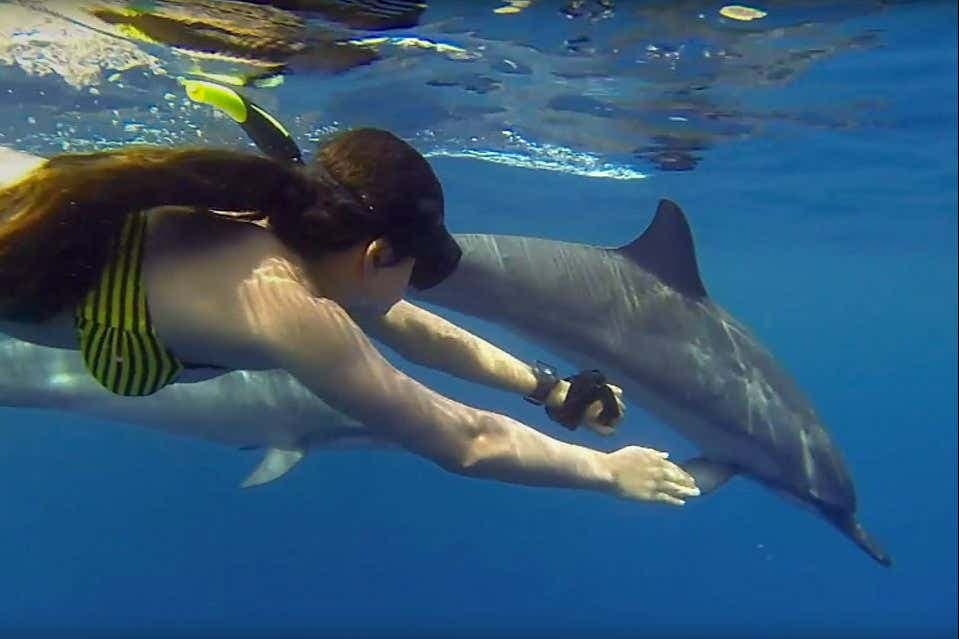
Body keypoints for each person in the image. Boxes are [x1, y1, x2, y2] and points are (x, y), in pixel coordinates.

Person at [0, 91, 699, 506]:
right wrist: (606, 472)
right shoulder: (286, 312)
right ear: (375, 255)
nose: (414, 289)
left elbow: (402, 322)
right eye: (417, 270)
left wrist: (546, 387)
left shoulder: (272, 210)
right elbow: (466, 441)